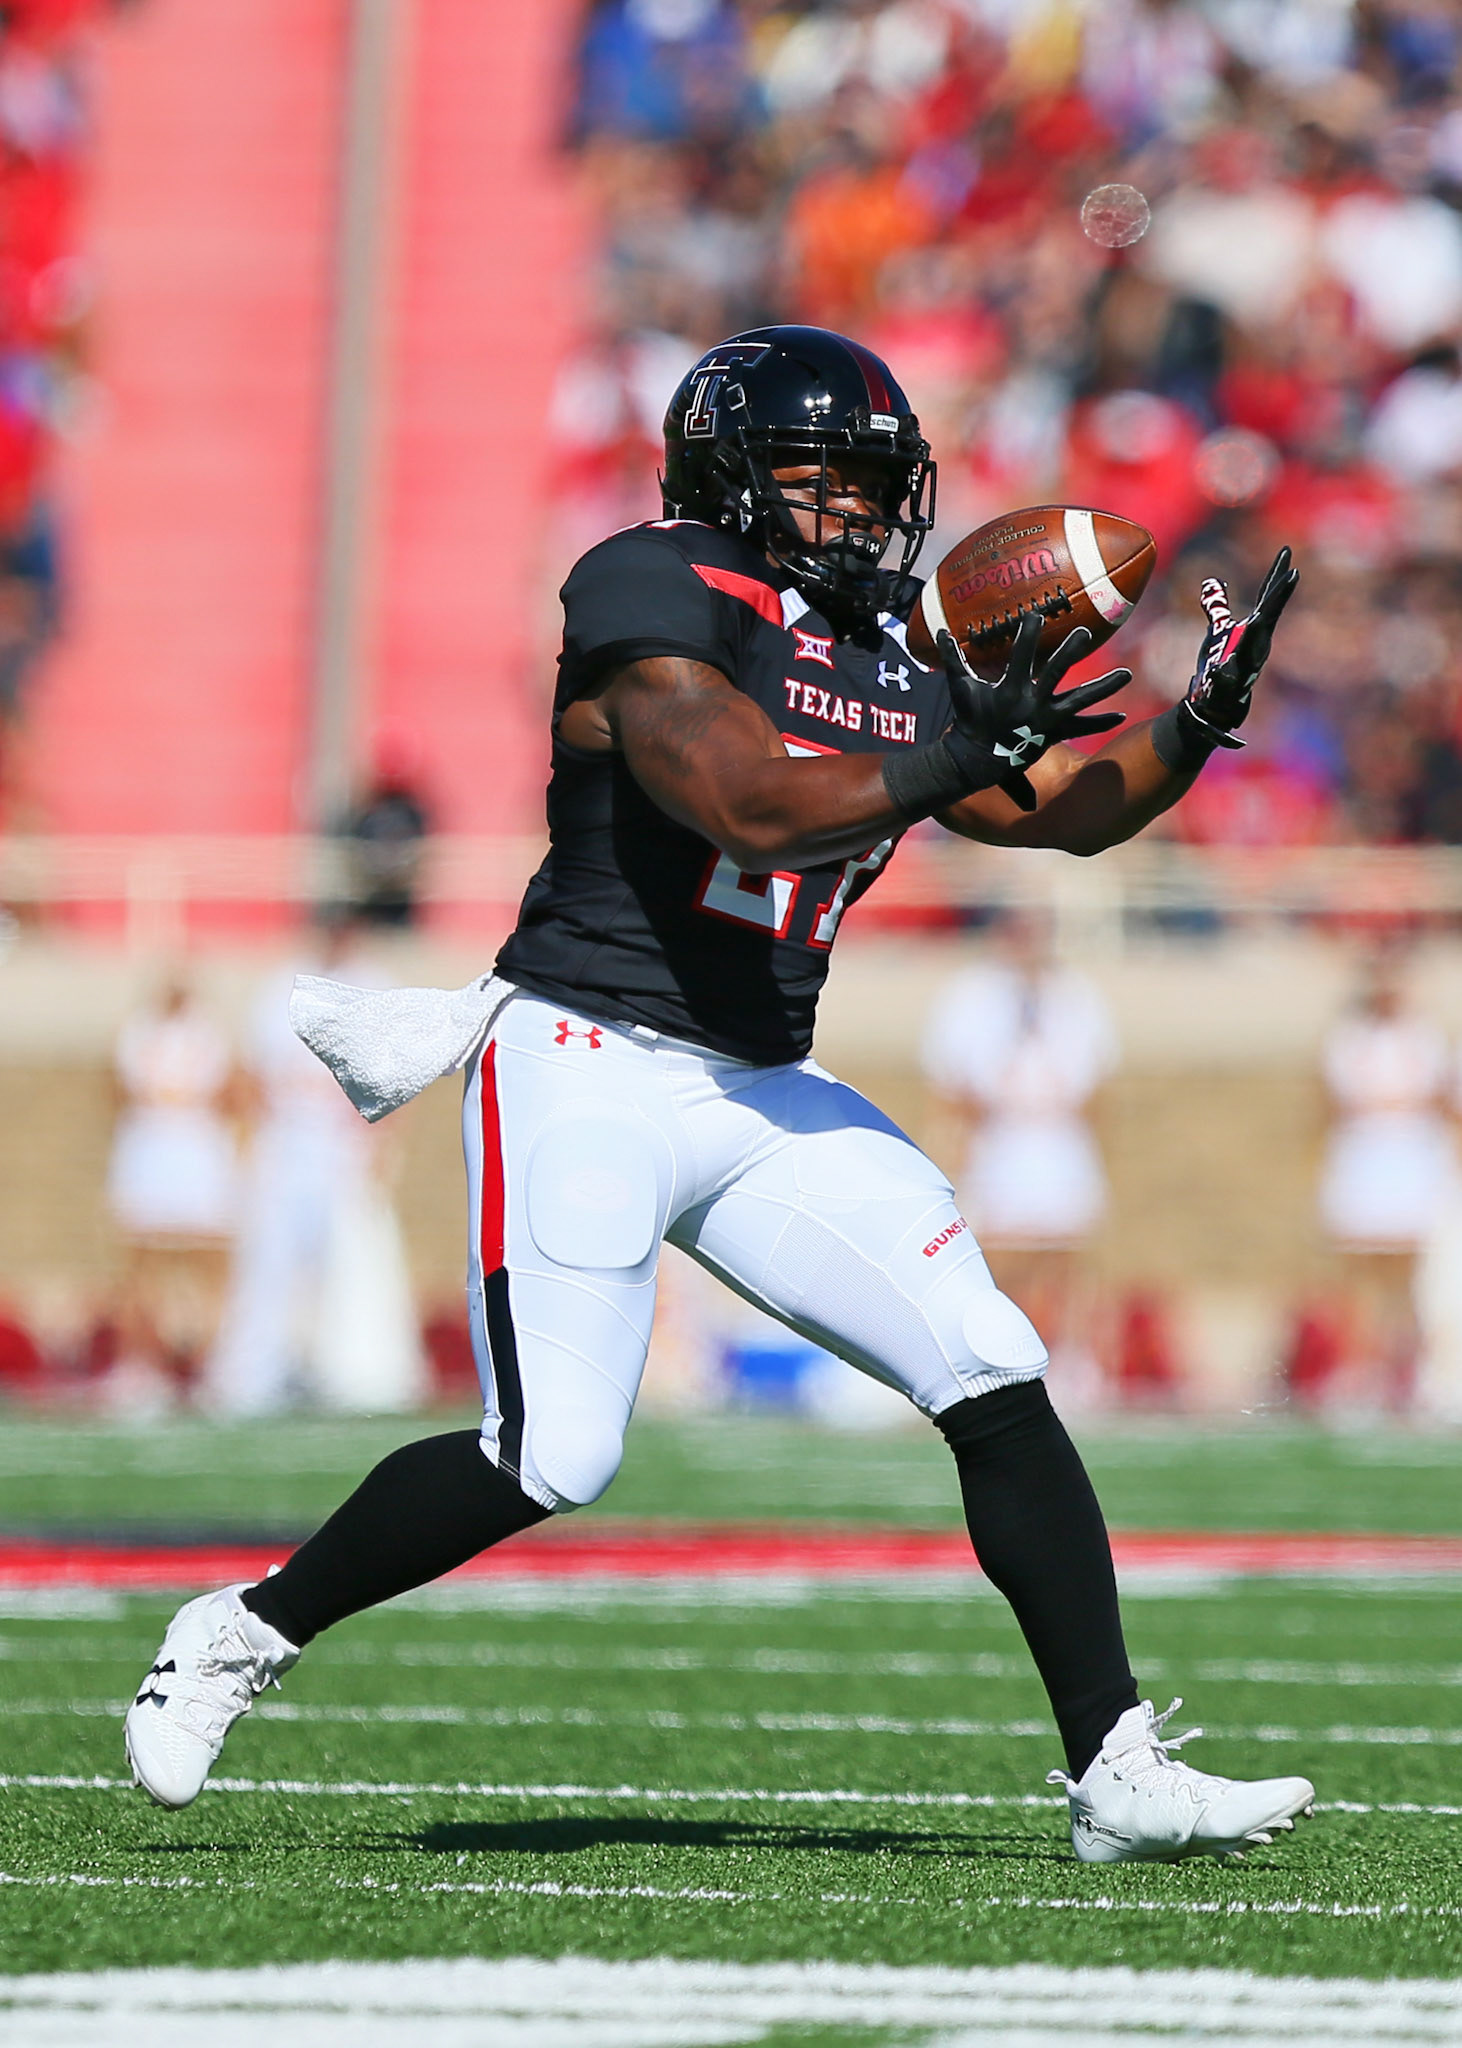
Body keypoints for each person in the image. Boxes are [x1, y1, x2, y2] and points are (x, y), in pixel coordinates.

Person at [125, 325, 1312, 1864]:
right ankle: (242, 1629)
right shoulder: (648, 586)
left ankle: (1115, 1768)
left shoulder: (897, 654)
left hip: (761, 1084)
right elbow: (741, 796)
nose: (858, 517)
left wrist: (1196, 723)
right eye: (824, 482)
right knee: (556, 1450)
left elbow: (1063, 814)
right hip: (587, 1054)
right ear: (731, 481)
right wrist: (953, 747)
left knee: (988, 1365)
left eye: (878, 486)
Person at [921, 912, 1117, 1406]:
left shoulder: (1075, 994)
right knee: (998, 1258)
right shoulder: (971, 993)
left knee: (1064, 1257)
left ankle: (1069, 1362)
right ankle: (1000, 1357)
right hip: (999, 1140)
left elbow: (1098, 1081)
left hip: (1057, 1139)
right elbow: (951, 1081)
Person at [1311, 945, 1457, 1409]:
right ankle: (1362, 1372)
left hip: (1415, 1167)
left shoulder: (1427, 1039)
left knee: (1412, 1279)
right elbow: (1333, 1104)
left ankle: (1410, 1372)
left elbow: (1443, 1105)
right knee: (1361, 1276)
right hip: (1365, 1167)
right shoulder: (1349, 1038)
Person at [104, 972, 239, 1408]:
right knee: (140, 1265)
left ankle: (208, 1365)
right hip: (150, 1158)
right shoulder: (136, 1033)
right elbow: (119, 1090)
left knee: (211, 1262)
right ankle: (141, 1366)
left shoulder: (210, 1034)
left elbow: (231, 1094)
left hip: (199, 1160)